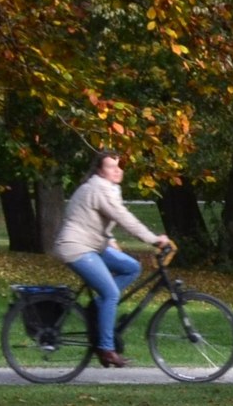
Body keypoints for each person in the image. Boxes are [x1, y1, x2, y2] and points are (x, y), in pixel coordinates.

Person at [53, 152, 171, 366]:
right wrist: (153, 239)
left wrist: (110, 239)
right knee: (111, 293)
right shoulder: (98, 188)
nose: (117, 170)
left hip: (94, 244)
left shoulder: (109, 188)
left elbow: (95, 219)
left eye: (119, 166)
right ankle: (106, 349)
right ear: (99, 170)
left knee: (131, 267)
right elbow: (122, 217)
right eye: (111, 166)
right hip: (77, 247)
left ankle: (98, 307)